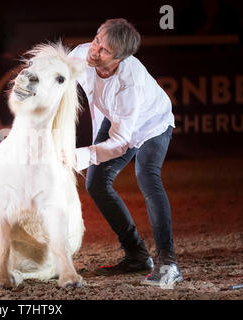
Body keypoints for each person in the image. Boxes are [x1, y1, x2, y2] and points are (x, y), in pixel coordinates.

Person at [69, 18, 182, 286]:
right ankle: (137, 255)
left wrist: (77, 156)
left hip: (152, 123)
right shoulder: (81, 55)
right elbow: (52, 69)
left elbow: (121, 142)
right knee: (96, 183)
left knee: (147, 176)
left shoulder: (128, 85)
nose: (94, 50)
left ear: (119, 58)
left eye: (104, 50)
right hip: (118, 116)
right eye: (97, 40)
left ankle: (168, 263)